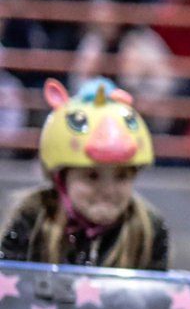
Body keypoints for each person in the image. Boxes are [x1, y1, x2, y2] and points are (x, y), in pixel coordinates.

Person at [2, 78, 169, 268]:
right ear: (62, 178)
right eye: (91, 176)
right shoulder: (33, 216)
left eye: (122, 176)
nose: (108, 190)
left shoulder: (148, 227)